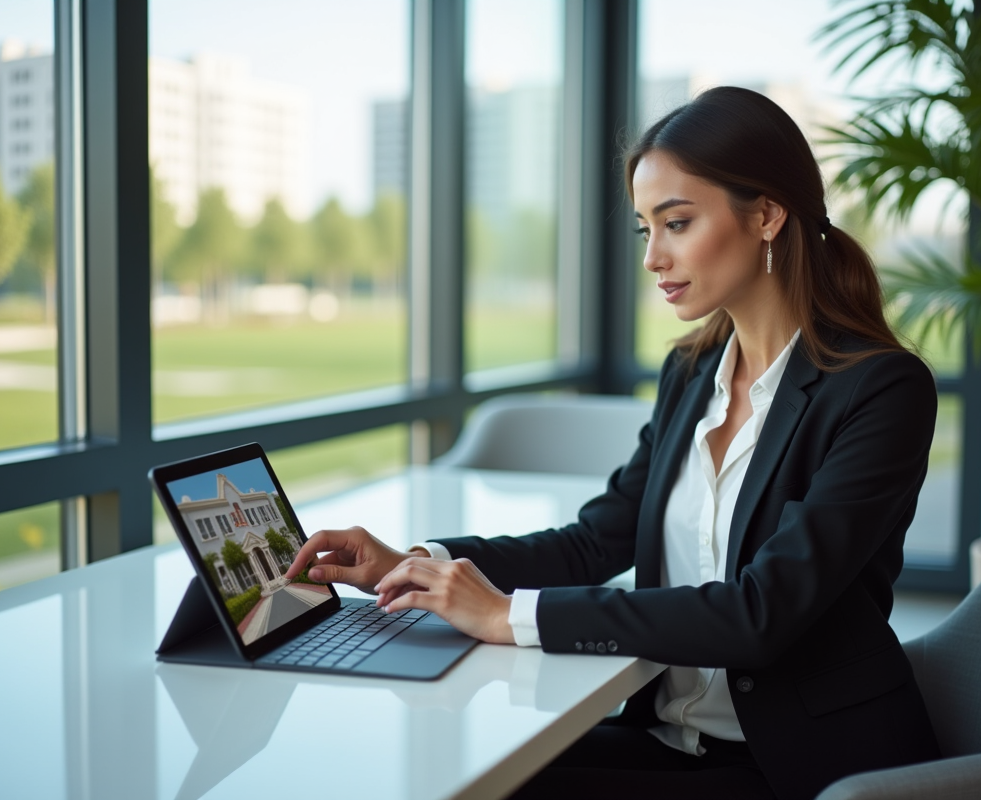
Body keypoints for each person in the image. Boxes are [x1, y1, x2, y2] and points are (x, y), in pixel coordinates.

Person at [286, 86, 941, 800]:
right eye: (645, 229)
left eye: (677, 223)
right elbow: (594, 543)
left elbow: (760, 613)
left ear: (766, 215)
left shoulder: (881, 390)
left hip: (798, 767)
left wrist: (508, 615)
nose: (653, 257)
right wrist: (419, 564)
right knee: (453, 774)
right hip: (668, 736)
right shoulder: (691, 372)